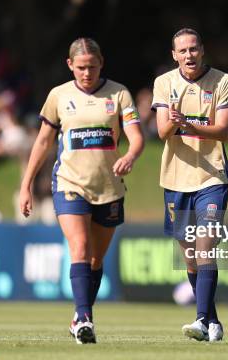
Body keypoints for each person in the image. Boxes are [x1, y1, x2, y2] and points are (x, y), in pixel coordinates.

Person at [19, 38, 144, 344]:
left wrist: (129, 156)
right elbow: (43, 142)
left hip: (110, 189)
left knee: (95, 261)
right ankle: (84, 318)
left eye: (92, 67)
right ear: (69, 65)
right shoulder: (59, 95)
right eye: (80, 67)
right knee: (80, 247)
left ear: (101, 63)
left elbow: (137, 137)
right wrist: (26, 185)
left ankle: (80, 315)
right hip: (70, 184)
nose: (86, 73)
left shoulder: (119, 94)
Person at [152, 28, 228, 342]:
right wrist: (173, 122)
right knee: (189, 256)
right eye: (182, 51)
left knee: (205, 246)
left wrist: (187, 124)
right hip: (176, 179)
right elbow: (162, 133)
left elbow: (222, 131)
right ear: (173, 54)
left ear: (202, 50)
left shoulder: (222, 81)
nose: (188, 55)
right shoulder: (164, 83)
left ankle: (201, 320)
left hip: (212, 177)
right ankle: (213, 320)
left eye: (193, 49)